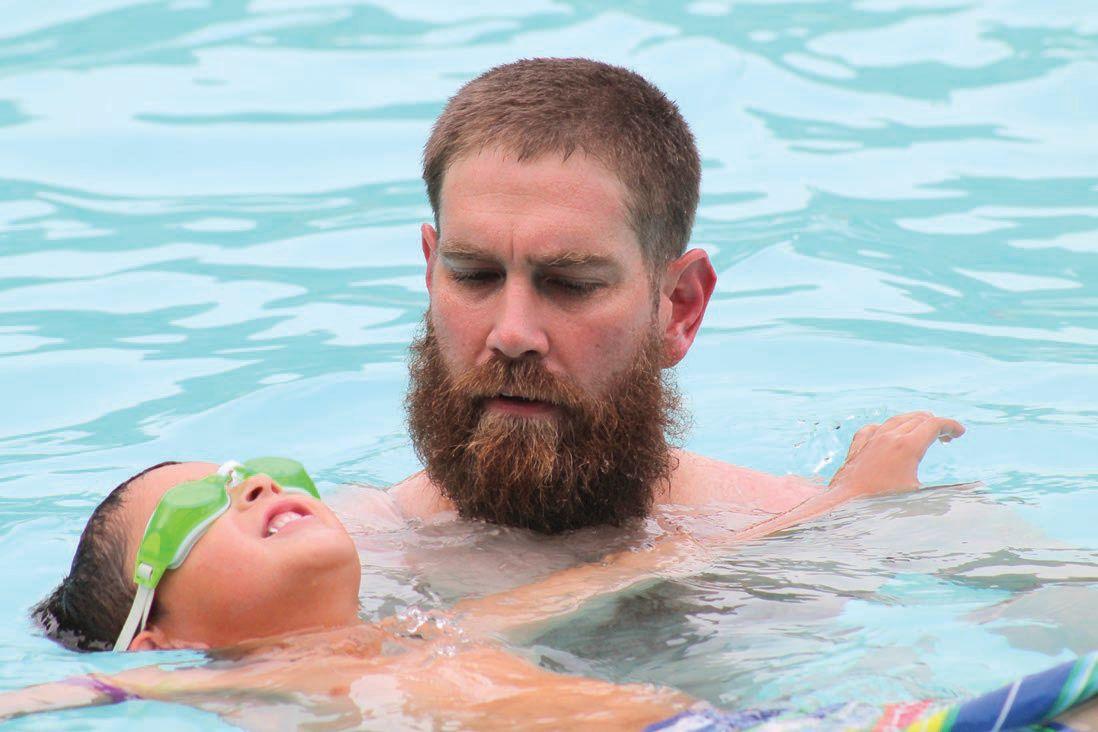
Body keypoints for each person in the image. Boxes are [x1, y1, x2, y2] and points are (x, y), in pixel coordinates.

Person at [343, 57, 965, 535]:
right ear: (431, 273)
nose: (512, 334)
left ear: (680, 308)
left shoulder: (833, 520)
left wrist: (849, 523)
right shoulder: (351, 550)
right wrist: (824, 524)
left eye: (573, 285)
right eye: (474, 275)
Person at [7, 461, 1096, 731]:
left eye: (259, 471)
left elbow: (631, 573)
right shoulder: (220, 686)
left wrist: (847, 500)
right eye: (193, 509)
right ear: (159, 629)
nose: (251, 485)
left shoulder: (424, 631)